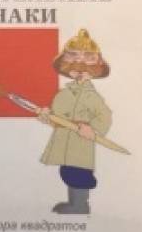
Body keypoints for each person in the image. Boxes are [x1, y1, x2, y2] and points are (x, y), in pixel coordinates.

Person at [37, 28, 112, 215]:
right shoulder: (63, 94)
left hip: (80, 142)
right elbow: (58, 118)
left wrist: (93, 130)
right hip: (64, 141)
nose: (79, 73)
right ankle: (74, 203)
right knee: (67, 171)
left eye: (85, 71)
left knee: (79, 173)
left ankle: (80, 206)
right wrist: (47, 116)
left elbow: (105, 116)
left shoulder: (92, 96)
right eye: (75, 70)